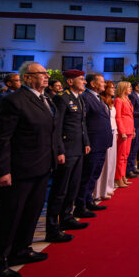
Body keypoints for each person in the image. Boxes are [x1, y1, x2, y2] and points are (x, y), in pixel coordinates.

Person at [0, 61, 60, 277]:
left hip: (41, 166)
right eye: (42, 74)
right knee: (8, 218)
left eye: (47, 74)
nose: (47, 77)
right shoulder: (13, 100)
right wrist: (0, 170)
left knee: (31, 213)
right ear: (27, 78)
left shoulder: (44, 100)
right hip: (18, 170)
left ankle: (21, 249)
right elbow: (0, 138)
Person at [45, 70, 91, 243]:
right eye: (81, 79)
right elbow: (57, 127)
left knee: (73, 186)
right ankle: (52, 227)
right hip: (67, 150)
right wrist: (59, 150)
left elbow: (81, 123)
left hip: (78, 148)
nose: (84, 82)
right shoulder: (62, 98)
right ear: (70, 81)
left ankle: (67, 217)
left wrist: (86, 141)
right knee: (60, 190)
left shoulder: (78, 98)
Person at [79, 73, 113, 211]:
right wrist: (86, 141)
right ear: (93, 84)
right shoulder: (86, 98)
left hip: (102, 142)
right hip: (93, 142)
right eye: (102, 82)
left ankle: (89, 200)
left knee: (95, 174)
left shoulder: (99, 98)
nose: (104, 84)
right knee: (87, 175)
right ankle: (81, 205)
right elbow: (83, 122)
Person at [94, 81, 117, 201]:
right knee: (102, 165)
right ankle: (98, 191)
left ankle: (107, 188)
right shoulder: (101, 101)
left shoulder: (111, 102)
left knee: (111, 163)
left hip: (113, 132)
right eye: (112, 87)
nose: (114, 89)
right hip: (104, 134)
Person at [114, 82, 134, 188]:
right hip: (124, 131)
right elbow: (118, 117)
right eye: (129, 87)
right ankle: (118, 177)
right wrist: (122, 131)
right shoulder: (118, 100)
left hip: (129, 130)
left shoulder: (127, 99)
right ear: (123, 88)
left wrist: (133, 129)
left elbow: (130, 116)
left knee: (126, 155)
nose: (131, 89)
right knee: (121, 156)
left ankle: (123, 175)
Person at [126, 81, 139, 179]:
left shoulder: (138, 96)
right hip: (135, 124)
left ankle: (133, 166)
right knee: (132, 147)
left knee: (136, 147)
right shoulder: (133, 96)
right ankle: (128, 169)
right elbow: (131, 111)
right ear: (136, 87)